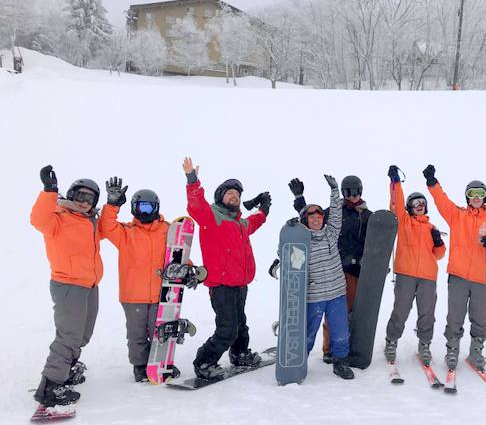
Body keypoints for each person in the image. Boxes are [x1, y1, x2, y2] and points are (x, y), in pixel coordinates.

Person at [183, 157, 271, 380]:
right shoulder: (211, 216)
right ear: (220, 197)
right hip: (221, 286)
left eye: (238, 194)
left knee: (241, 325)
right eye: (230, 193)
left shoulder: (240, 223)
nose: (235, 196)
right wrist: (192, 180)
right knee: (227, 329)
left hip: (240, 284)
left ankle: (240, 353)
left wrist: (264, 208)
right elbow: (196, 205)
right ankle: (204, 362)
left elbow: (256, 221)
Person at [30, 165, 106, 407]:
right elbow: (37, 219)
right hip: (68, 284)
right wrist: (49, 191)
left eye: (90, 198)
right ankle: (51, 386)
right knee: (69, 336)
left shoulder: (91, 221)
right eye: (81, 196)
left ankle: (67, 369)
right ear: (71, 195)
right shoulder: (57, 217)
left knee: (83, 333)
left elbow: (109, 227)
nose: (85, 202)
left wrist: (113, 204)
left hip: (90, 285)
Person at [422, 164, 486, 371]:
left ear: (485, 197)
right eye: (472, 194)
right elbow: (442, 202)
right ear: (467, 197)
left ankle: (476, 351)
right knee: (455, 315)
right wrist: (432, 183)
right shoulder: (457, 215)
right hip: (458, 275)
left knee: (479, 316)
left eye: (480, 194)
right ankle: (452, 349)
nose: (476, 197)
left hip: (481, 277)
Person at [289, 174, 371, 363]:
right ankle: (327, 350)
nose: (352, 196)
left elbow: (374, 242)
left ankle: (344, 351)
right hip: (338, 268)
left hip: (354, 272)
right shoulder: (333, 215)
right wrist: (299, 199)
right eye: (347, 192)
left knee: (344, 316)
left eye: (355, 191)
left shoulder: (367, 216)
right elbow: (310, 217)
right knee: (327, 319)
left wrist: (374, 263)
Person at [99, 177, 172, 382]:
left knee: (160, 332)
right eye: (141, 207)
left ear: (156, 208)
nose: (145, 212)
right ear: (133, 208)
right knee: (137, 334)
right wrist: (112, 204)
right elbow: (106, 227)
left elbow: (177, 253)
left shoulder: (167, 229)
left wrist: (189, 269)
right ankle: (140, 366)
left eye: (149, 207)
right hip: (133, 295)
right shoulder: (126, 232)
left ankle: (160, 363)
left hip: (161, 294)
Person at [383, 165, 446, 365]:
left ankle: (424, 344)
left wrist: (438, 242)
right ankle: (391, 341)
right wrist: (395, 182)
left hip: (428, 276)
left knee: (427, 312)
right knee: (401, 309)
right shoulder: (404, 222)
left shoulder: (432, 228)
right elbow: (397, 202)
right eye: (415, 203)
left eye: (422, 202)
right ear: (409, 206)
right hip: (406, 273)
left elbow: (438, 255)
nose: (419, 205)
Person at [295, 175, 354, 379]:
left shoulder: (330, 234)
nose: (317, 219)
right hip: (315, 295)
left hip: (337, 292)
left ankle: (340, 362)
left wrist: (335, 190)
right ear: (305, 220)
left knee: (340, 331)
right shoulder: (301, 240)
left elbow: (336, 215)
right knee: (308, 332)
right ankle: (298, 363)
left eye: (320, 216)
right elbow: (289, 256)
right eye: (312, 217)